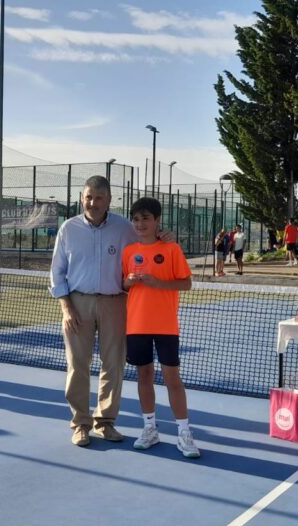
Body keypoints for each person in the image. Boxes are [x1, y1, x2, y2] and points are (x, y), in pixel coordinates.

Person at [49, 175, 138, 447]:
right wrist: (67, 308)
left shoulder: (126, 229)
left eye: (99, 198)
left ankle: (105, 422)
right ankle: (80, 424)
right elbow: (57, 273)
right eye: (88, 197)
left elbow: (144, 252)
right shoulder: (68, 229)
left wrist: (164, 237)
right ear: (82, 198)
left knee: (113, 364)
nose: (93, 203)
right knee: (77, 365)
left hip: (116, 303)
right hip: (77, 304)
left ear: (109, 200)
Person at [122, 197, 198, 458]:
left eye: (145, 218)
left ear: (157, 220)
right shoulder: (128, 252)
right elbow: (123, 284)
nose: (140, 224)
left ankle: (184, 432)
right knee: (143, 376)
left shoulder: (171, 248)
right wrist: (129, 281)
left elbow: (186, 283)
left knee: (172, 379)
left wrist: (158, 284)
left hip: (166, 325)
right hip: (136, 325)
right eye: (136, 219)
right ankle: (149, 428)